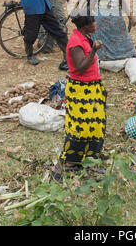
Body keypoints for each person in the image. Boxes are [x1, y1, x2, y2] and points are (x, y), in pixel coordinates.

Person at [50, 13, 106, 181]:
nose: (96, 23)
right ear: (85, 25)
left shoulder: (84, 36)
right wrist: (94, 50)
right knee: (80, 128)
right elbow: (80, 68)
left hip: (91, 88)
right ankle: (68, 163)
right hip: (81, 91)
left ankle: (88, 159)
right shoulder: (75, 42)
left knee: (96, 124)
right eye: (93, 21)